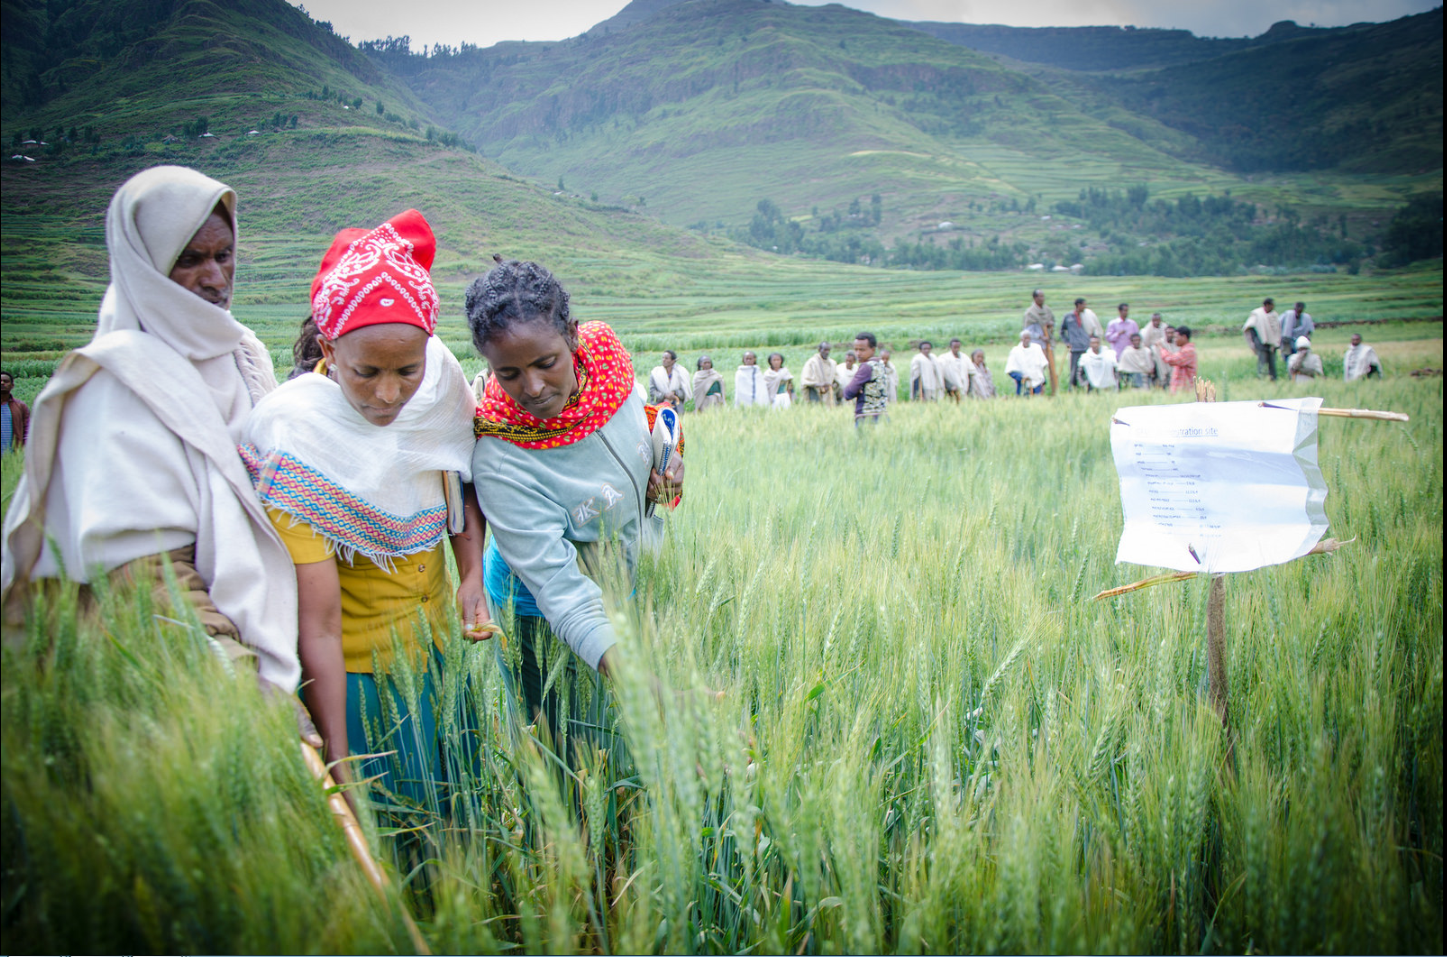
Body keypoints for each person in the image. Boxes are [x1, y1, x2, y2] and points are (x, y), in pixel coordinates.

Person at [1, 165, 300, 703]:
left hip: (270, 634)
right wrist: (245, 694)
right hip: (174, 665)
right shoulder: (115, 386)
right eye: (189, 259)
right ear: (143, 264)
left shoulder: (242, 356)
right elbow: (150, 580)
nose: (215, 278)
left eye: (224, 254)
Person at [244, 210, 486, 803]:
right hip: (357, 684)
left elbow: (456, 482)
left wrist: (472, 574)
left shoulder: (437, 393)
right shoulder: (298, 437)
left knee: (456, 832)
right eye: (365, 373)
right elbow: (319, 625)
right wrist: (339, 754)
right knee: (393, 839)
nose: (388, 394)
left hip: (438, 660)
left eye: (407, 369)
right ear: (329, 347)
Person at [466, 258, 685, 750]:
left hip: (619, 584)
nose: (534, 388)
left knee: (606, 739)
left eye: (546, 362)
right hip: (540, 617)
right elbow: (560, 592)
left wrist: (669, 460)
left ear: (572, 335)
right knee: (564, 755)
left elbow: (645, 418)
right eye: (509, 374)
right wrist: (646, 689)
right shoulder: (502, 454)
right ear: (488, 365)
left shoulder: (606, 360)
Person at [842, 331, 889, 425]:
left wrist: (857, 389)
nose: (858, 353)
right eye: (856, 350)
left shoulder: (866, 367)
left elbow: (848, 393)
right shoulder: (880, 364)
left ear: (873, 349)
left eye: (862, 350)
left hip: (866, 417)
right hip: (882, 416)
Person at [1243, 297, 1281, 380]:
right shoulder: (1257, 314)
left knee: (1272, 363)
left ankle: (1273, 379)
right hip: (1261, 344)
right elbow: (1249, 328)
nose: (1273, 307)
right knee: (1262, 363)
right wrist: (1256, 341)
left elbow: (1277, 329)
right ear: (1267, 305)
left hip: (1272, 344)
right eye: (1271, 305)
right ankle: (1262, 379)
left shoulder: (1274, 315)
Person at [1058, 299, 1093, 389]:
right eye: (1084, 305)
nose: (1085, 307)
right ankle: (1072, 389)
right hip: (1075, 348)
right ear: (1078, 305)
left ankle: (1088, 388)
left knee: (1088, 369)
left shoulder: (1087, 316)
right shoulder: (1068, 317)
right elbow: (1061, 331)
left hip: (1086, 346)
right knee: (1074, 370)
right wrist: (1067, 342)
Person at [1005, 329, 1048, 396]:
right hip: (1023, 383)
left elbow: (1043, 364)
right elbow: (1010, 370)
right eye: (1025, 338)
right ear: (1021, 339)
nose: (1027, 340)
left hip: (1037, 382)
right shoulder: (1015, 351)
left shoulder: (1037, 348)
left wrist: (1041, 377)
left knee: (1038, 401)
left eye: (1028, 338)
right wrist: (1022, 377)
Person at [648, 349, 691, 414]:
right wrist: (665, 395)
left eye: (666, 358)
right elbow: (652, 391)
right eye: (663, 358)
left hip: (677, 407)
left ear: (673, 361)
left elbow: (684, 392)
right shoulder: (655, 373)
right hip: (659, 406)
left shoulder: (681, 373)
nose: (664, 360)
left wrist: (674, 393)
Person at [1161, 324, 1198, 393]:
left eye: (1176, 337)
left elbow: (1171, 360)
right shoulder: (1183, 350)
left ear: (1184, 337)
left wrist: (1162, 349)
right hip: (1179, 390)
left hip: (1185, 390)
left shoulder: (1188, 351)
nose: (1174, 340)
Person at [1, 371, 29, 452]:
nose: (2, 383)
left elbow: (27, 430)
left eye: (5, 381)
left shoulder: (20, 406)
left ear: (12, 386)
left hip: (13, 455)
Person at [1139, 312, 1167, 387]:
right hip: (1151, 350)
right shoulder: (1148, 329)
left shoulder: (1164, 327)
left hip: (1164, 348)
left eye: (1158, 320)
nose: (1156, 322)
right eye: (1154, 320)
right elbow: (1145, 342)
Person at [937, 338, 967, 403]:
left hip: (963, 387)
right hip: (950, 389)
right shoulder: (944, 359)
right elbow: (940, 375)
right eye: (955, 347)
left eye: (958, 347)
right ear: (950, 347)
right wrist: (950, 386)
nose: (957, 349)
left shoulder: (964, 358)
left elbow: (971, 372)